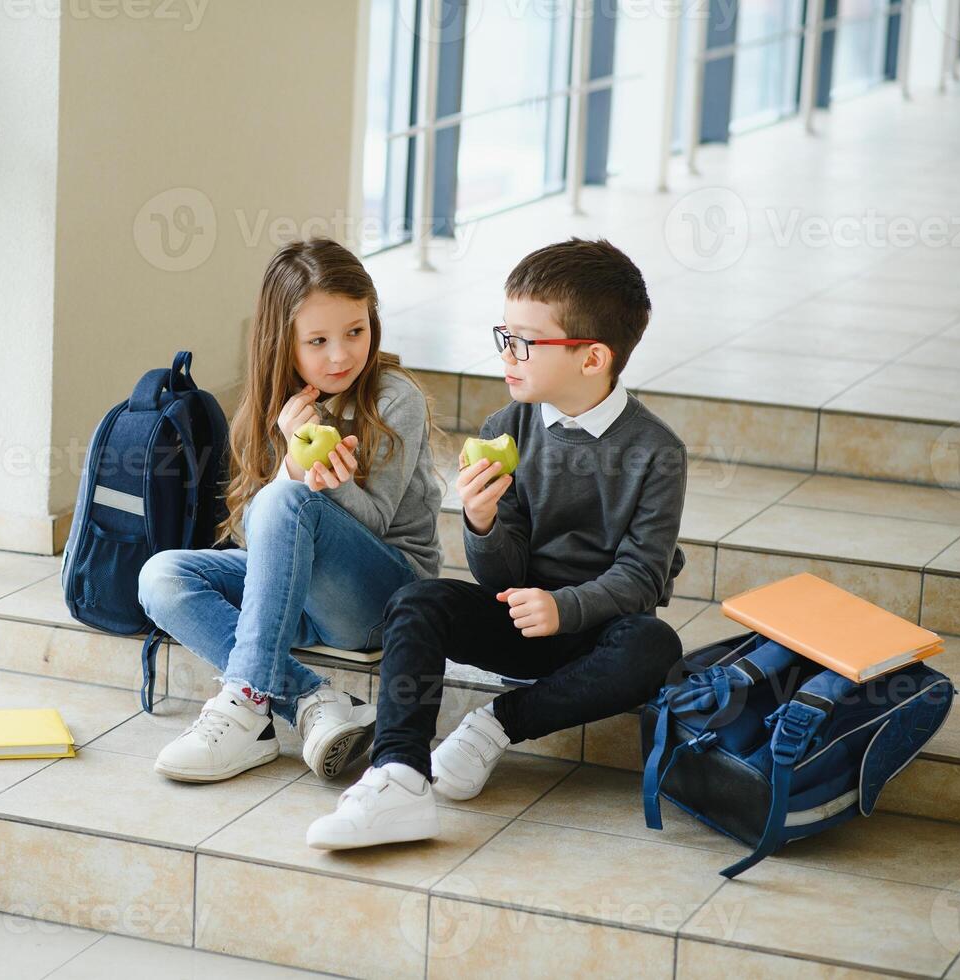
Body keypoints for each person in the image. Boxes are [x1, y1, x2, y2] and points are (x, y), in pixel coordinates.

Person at [307, 237, 687, 849]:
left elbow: (643, 576)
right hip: (517, 622)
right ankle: (399, 775)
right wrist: (482, 524)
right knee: (419, 602)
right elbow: (497, 578)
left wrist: (566, 607)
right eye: (504, 335)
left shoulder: (656, 451)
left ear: (593, 358)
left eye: (525, 342)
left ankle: (496, 726)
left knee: (656, 646)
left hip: (597, 639)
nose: (507, 355)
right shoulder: (504, 427)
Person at [138, 237, 442, 783]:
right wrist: (290, 465)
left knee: (285, 500)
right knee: (161, 576)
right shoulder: (278, 405)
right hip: (297, 597)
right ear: (285, 343)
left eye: (356, 331)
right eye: (318, 340)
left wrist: (311, 481)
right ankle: (311, 700)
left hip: (384, 600)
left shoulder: (395, 397)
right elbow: (260, 543)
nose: (341, 355)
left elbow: (371, 521)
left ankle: (247, 702)